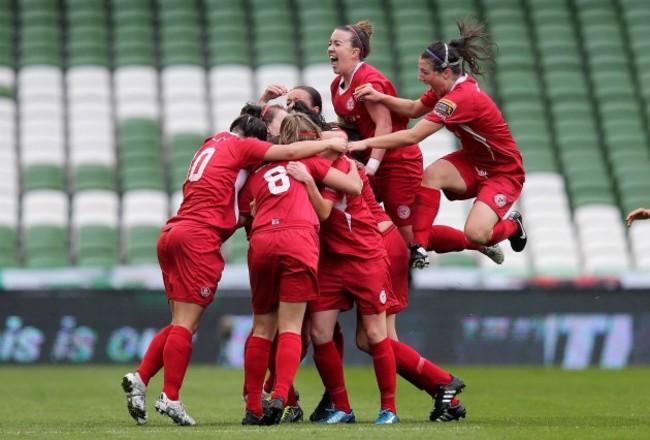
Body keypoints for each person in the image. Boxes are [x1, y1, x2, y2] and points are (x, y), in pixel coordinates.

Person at [120, 112, 348, 426]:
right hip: (206, 238)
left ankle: (142, 377)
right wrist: (337, 143)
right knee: (195, 325)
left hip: (173, 232)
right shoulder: (252, 151)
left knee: (185, 323)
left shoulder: (211, 144)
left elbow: (242, 199)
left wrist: (263, 106)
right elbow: (331, 174)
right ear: (254, 141)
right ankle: (172, 396)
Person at [351, 19, 527, 269]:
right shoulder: (445, 89)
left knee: (477, 234)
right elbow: (413, 109)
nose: (420, 77)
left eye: (424, 72)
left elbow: (413, 136)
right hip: (473, 160)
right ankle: (419, 246)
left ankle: (513, 226)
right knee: (432, 175)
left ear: (445, 73)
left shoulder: (460, 98)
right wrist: (381, 97)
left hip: (503, 171)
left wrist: (364, 143)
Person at [237, 113, 362, 426]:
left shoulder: (257, 172)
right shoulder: (311, 165)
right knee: (291, 326)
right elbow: (353, 188)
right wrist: (348, 160)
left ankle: (253, 406)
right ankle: (281, 394)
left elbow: (244, 214)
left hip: (263, 240)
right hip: (299, 240)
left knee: (262, 328)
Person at [286, 128, 399, 425]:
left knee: (375, 334)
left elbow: (324, 210)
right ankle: (343, 407)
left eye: (335, 138)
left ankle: (389, 409)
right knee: (320, 333)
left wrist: (308, 180)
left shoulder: (343, 169)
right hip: (331, 263)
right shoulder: (323, 166)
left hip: (365, 257)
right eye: (325, 137)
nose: (329, 142)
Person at [328, 20, 423, 246]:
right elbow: (350, 125)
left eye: (337, 44)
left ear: (354, 52)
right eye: (329, 43)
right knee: (365, 218)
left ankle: (475, 241)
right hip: (371, 160)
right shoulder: (336, 85)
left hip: (397, 160)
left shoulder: (367, 80)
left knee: (407, 235)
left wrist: (371, 166)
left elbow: (385, 126)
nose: (330, 48)